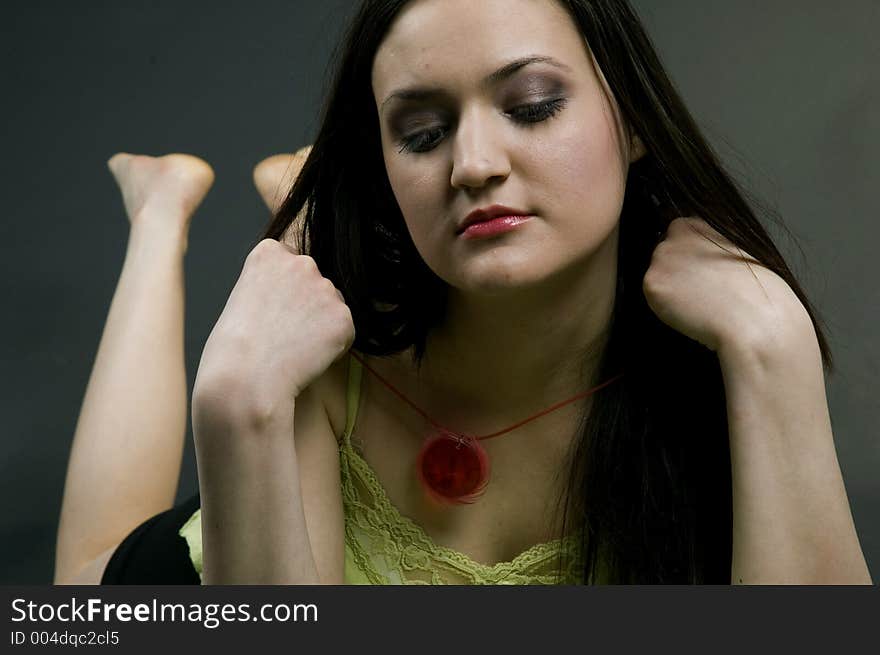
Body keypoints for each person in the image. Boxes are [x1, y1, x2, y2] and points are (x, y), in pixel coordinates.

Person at [54, 0, 872, 585]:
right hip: (228, 570)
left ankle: (299, 198)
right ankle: (161, 211)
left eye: (532, 105)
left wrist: (776, 348)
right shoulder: (324, 352)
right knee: (75, 593)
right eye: (422, 133)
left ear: (633, 122)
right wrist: (236, 401)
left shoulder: (715, 362)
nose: (474, 163)